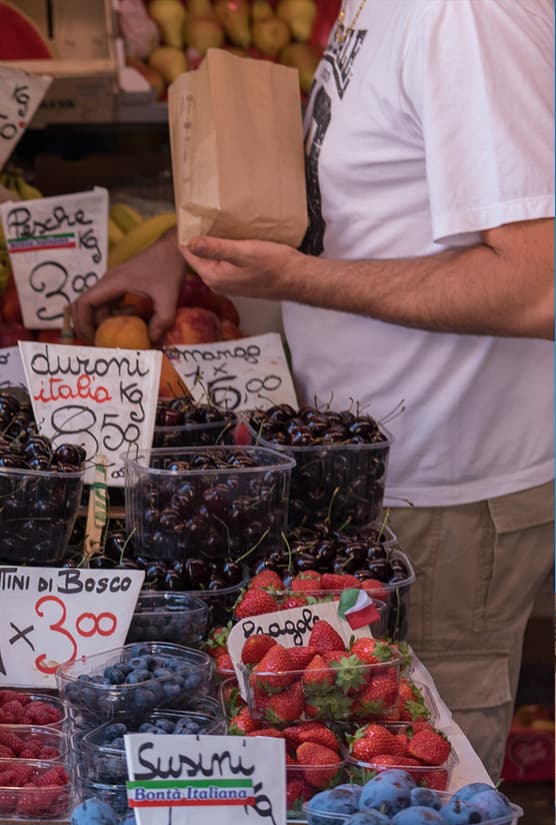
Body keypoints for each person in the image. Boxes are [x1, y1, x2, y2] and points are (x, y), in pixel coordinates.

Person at [72, 0, 555, 778]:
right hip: (367, 485)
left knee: (414, 804)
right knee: (339, 771)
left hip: (445, 502)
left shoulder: (467, 15)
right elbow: (359, 186)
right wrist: (185, 252)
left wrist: (299, 280)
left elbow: (539, 286)